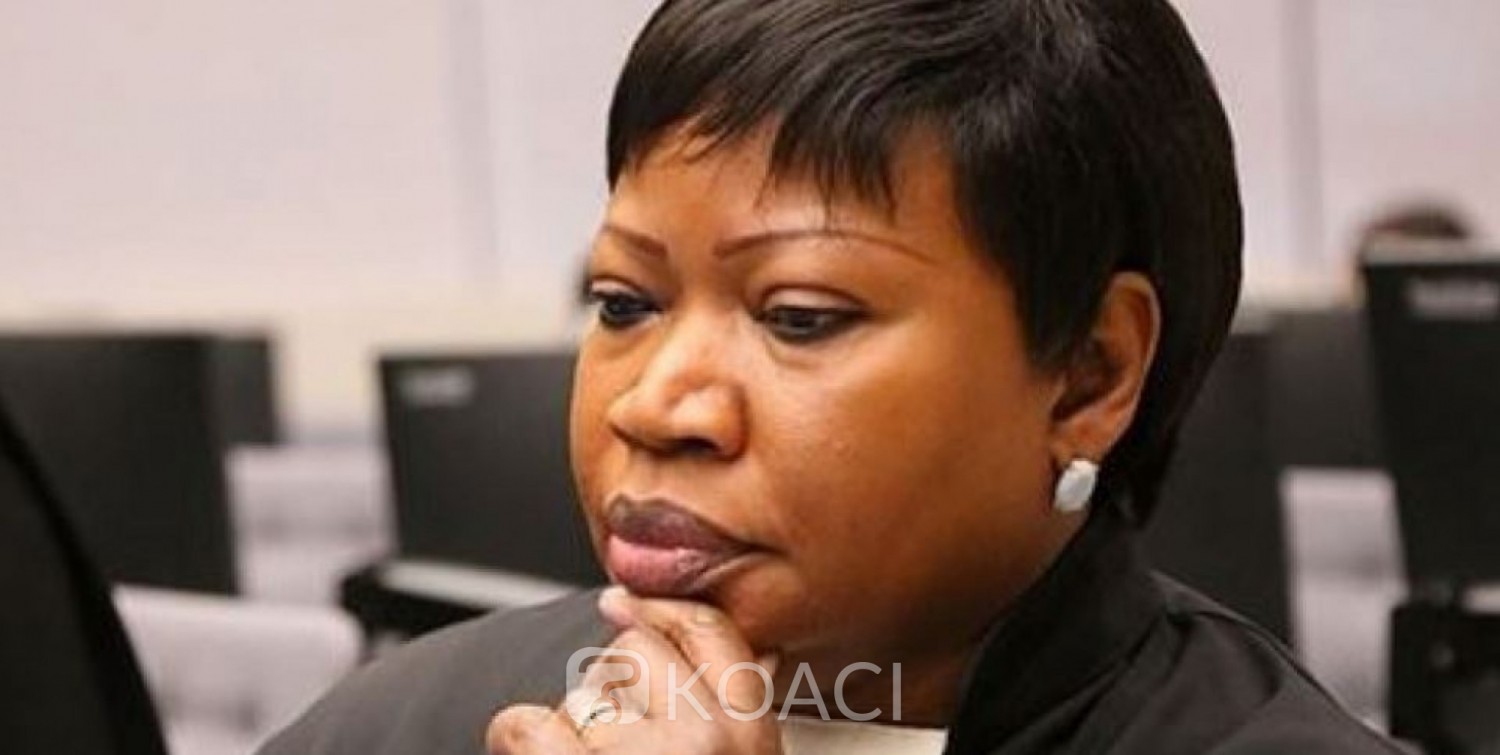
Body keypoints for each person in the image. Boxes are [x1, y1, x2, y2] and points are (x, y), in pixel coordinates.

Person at [262, 0, 1403, 752]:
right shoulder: (419, 720)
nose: (655, 403)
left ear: (1086, 375)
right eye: (623, 302)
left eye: (799, 317)